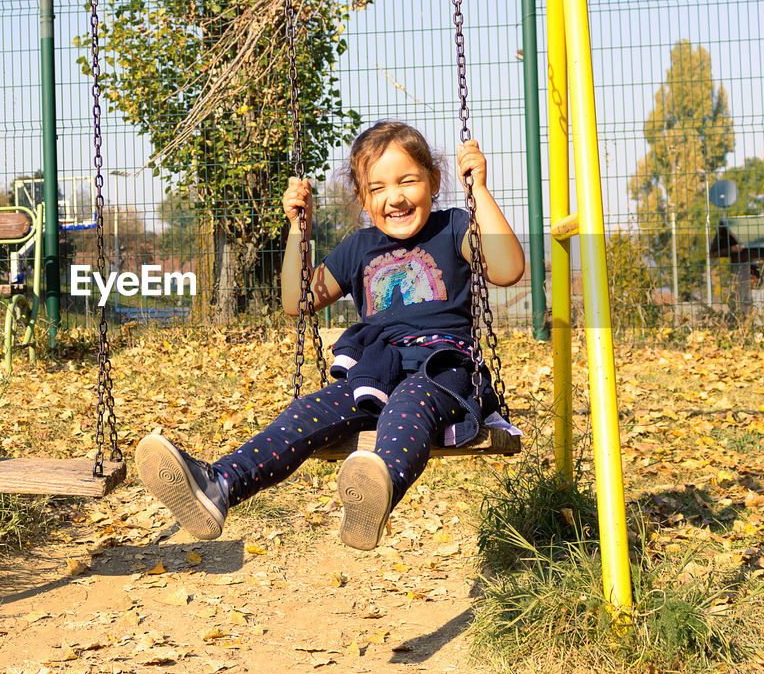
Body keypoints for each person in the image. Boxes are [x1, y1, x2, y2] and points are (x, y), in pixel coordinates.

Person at [135, 120, 525, 550]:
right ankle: (220, 485)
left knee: (412, 400)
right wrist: (298, 230)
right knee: (306, 410)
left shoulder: (453, 228)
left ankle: (377, 490)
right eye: (376, 188)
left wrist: (480, 192)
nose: (394, 197)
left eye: (408, 181)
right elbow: (297, 301)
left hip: (442, 371)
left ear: (434, 181)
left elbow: (506, 268)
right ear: (361, 198)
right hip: (376, 370)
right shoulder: (358, 247)